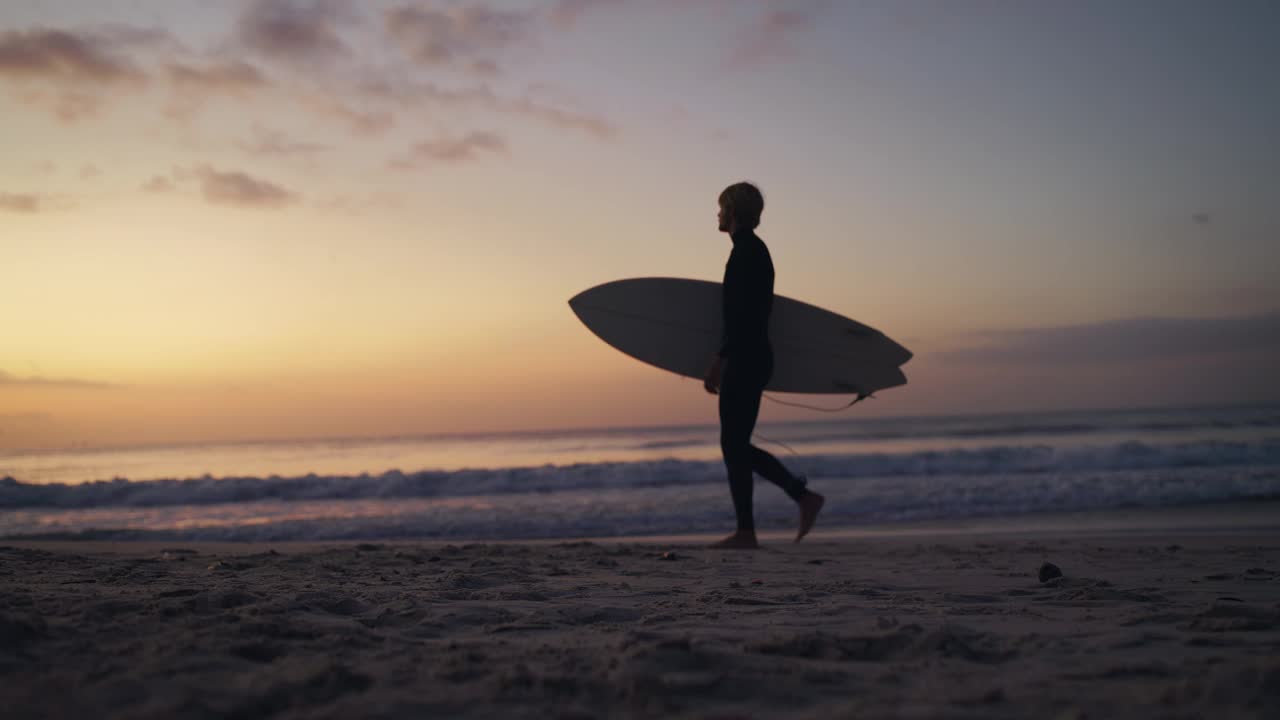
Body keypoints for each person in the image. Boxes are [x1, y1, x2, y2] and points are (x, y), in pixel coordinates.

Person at [704, 182, 825, 549]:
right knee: (735, 444)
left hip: (747, 357)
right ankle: (755, 525)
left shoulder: (746, 254)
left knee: (734, 444)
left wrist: (719, 361)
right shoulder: (752, 251)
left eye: (722, 208)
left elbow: (743, 317)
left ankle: (793, 503)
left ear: (735, 213)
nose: (719, 214)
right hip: (753, 356)